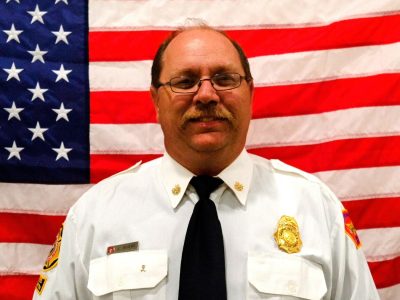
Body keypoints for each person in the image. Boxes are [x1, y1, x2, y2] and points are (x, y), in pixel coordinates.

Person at [33, 24, 380, 299]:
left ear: (250, 92)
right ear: (156, 100)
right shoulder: (95, 215)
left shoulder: (316, 208)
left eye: (225, 79)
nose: (206, 94)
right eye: (184, 81)